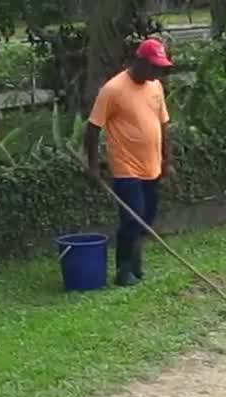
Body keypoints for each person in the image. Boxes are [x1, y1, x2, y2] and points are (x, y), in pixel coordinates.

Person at [85, 38, 174, 287]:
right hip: (126, 168)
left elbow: (164, 124)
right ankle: (123, 270)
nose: (156, 72)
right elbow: (92, 129)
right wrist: (93, 166)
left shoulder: (155, 87)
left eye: (159, 67)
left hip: (153, 166)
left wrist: (168, 159)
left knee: (147, 217)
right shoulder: (113, 90)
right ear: (140, 61)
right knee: (132, 219)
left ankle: (136, 264)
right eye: (153, 66)